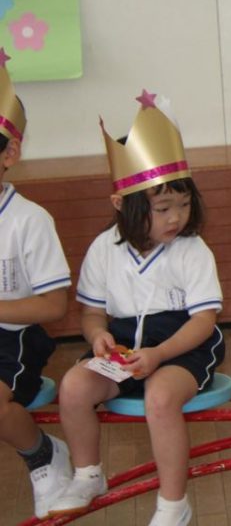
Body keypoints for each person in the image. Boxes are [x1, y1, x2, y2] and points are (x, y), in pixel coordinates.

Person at [49, 91, 224, 526]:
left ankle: (173, 505)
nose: (176, 217)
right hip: (125, 346)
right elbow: (92, 313)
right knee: (73, 387)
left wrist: (160, 354)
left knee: (160, 398)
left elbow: (204, 320)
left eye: (184, 205)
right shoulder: (103, 248)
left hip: (182, 346)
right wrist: (98, 337)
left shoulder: (192, 250)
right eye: (163, 208)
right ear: (120, 204)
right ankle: (88, 475)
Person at [0, 53, 73, 518]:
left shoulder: (29, 220)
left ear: (9, 154)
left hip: (15, 340)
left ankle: (43, 455)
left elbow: (53, 306)